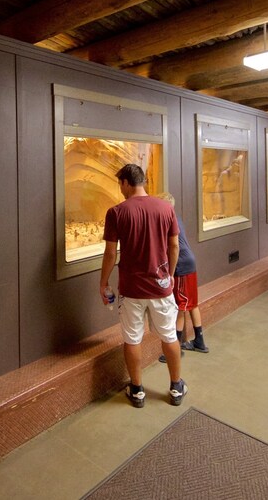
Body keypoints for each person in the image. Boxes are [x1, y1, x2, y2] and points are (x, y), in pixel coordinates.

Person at [100, 164, 188, 407]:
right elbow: (174, 246)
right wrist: (169, 275)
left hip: (131, 290)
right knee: (169, 336)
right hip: (161, 287)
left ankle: (137, 390)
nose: (120, 190)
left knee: (132, 339)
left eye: (120, 184)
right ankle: (175, 387)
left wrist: (104, 282)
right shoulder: (165, 208)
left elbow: (110, 254)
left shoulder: (116, 212)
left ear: (127, 182)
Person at [155, 192, 208, 365]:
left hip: (182, 267)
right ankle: (199, 341)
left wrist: (169, 272)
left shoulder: (167, 221)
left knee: (181, 306)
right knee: (191, 304)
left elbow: (173, 246)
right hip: (189, 264)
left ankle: (176, 347)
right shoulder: (176, 218)